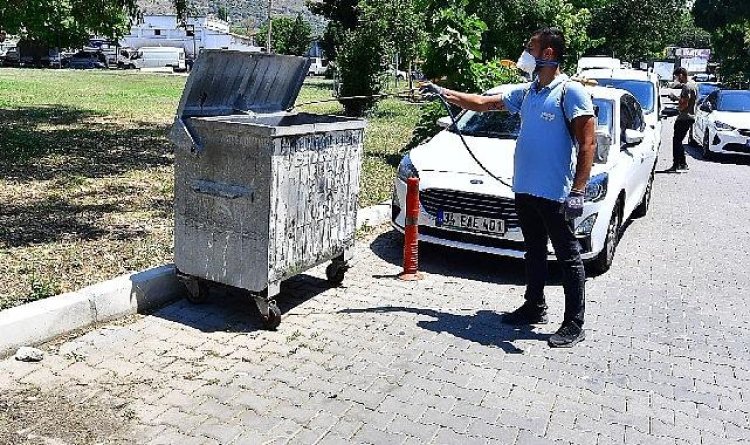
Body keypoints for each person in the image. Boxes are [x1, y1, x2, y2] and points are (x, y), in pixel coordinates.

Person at [420, 27, 596, 347]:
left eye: (531, 47)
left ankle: (574, 323)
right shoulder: (528, 92)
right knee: (534, 252)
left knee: (568, 257)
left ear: (548, 54)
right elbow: (484, 103)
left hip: (557, 194)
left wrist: (579, 191)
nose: (525, 53)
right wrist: (445, 92)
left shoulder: (571, 92)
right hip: (525, 189)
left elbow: (588, 143)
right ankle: (534, 306)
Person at [666, 67, 697, 172]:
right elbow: (687, 100)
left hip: (684, 117)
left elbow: (684, 104)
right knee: (678, 141)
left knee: (676, 141)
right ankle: (682, 164)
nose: (676, 79)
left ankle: (677, 165)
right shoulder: (693, 84)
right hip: (690, 116)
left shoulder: (686, 87)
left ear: (681, 75)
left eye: (676, 76)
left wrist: (675, 109)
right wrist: (676, 98)